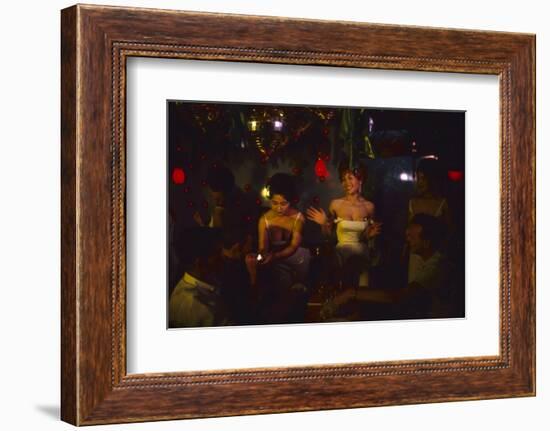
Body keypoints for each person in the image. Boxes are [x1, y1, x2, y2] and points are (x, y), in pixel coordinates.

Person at [330, 214, 448, 320]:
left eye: (411, 237)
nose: (407, 240)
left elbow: (397, 297)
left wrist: (352, 293)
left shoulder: (436, 266)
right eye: (407, 236)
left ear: (426, 242)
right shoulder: (421, 257)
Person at [306, 165, 381, 287]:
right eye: (343, 179)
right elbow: (328, 236)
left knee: (362, 291)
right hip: (341, 255)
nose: (346, 183)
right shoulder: (335, 204)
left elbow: (369, 237)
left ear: (360, 179)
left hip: (362, 255)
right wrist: (324, 223)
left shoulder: (369, 206)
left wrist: (370, 235)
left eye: (350, 178)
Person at [250, 173, 311, 323]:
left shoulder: (298, 218)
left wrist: (276, 256)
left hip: (295, 257)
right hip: (274, 259)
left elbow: (294, 246)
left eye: (283, 203)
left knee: (304, 258)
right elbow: (262, 247)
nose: (278, 207)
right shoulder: (264, 219)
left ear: (290, 201)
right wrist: (262, 255)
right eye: (274, 203)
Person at [168, 228, 226, 328]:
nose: (223, 258)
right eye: (217, 254)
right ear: (199, 263)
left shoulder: (181, 286)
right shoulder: (201, 308)